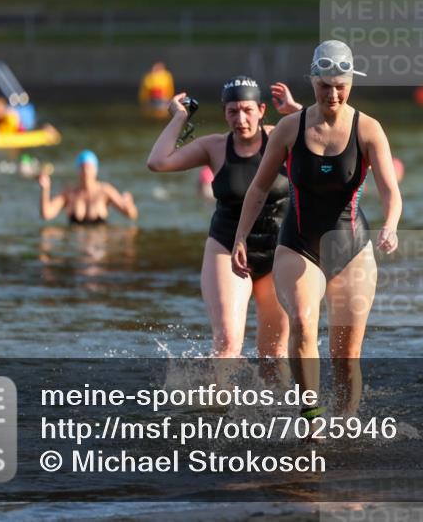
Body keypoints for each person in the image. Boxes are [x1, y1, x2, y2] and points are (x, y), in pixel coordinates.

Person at [231, 40, 402, 422]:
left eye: (340, 84)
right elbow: (258, 187)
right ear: (313, 82)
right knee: (304, 322)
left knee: (346, 356)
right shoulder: (290, 128)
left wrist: (390, 227)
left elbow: (391, 191)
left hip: (352, 247)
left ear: (351, 83)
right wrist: (240, 236)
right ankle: (312, 418)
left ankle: (346, 423)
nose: (333, 93)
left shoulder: (369, 130)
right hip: (298, 243)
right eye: (325, 85)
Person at [147, 78, 302, 359]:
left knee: (274, 353)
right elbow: (157, 162)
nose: (240, 119)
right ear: (224, 113)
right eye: (232, 112)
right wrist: (179, 117)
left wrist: (296, 111)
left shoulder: (283, 136)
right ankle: (220, 402)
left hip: (277, 251)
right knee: (228, 343)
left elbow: (329, 140)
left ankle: (269, 404)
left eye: (247, 110)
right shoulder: (214, 147)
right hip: (226, 248)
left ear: (261, 109)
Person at [39, 150, 138, 224]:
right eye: (83, 168)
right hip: (76, 245)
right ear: (78, 170)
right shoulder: (69, 193)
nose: (86, 172)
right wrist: (45, 189)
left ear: (95, 170)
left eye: (89, 168)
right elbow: (47, 214)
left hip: (99, 242)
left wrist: (129, 203)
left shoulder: (105, 191)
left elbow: (131, 215)